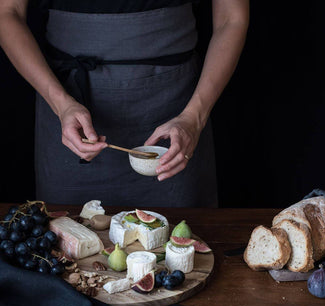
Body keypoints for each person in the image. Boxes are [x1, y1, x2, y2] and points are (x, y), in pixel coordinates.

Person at [0, 0, 249, 207]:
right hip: (66, 108)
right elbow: (6, 13)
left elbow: (232, 17)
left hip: (178, 110)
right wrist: (61, 104)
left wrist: (194, 118)